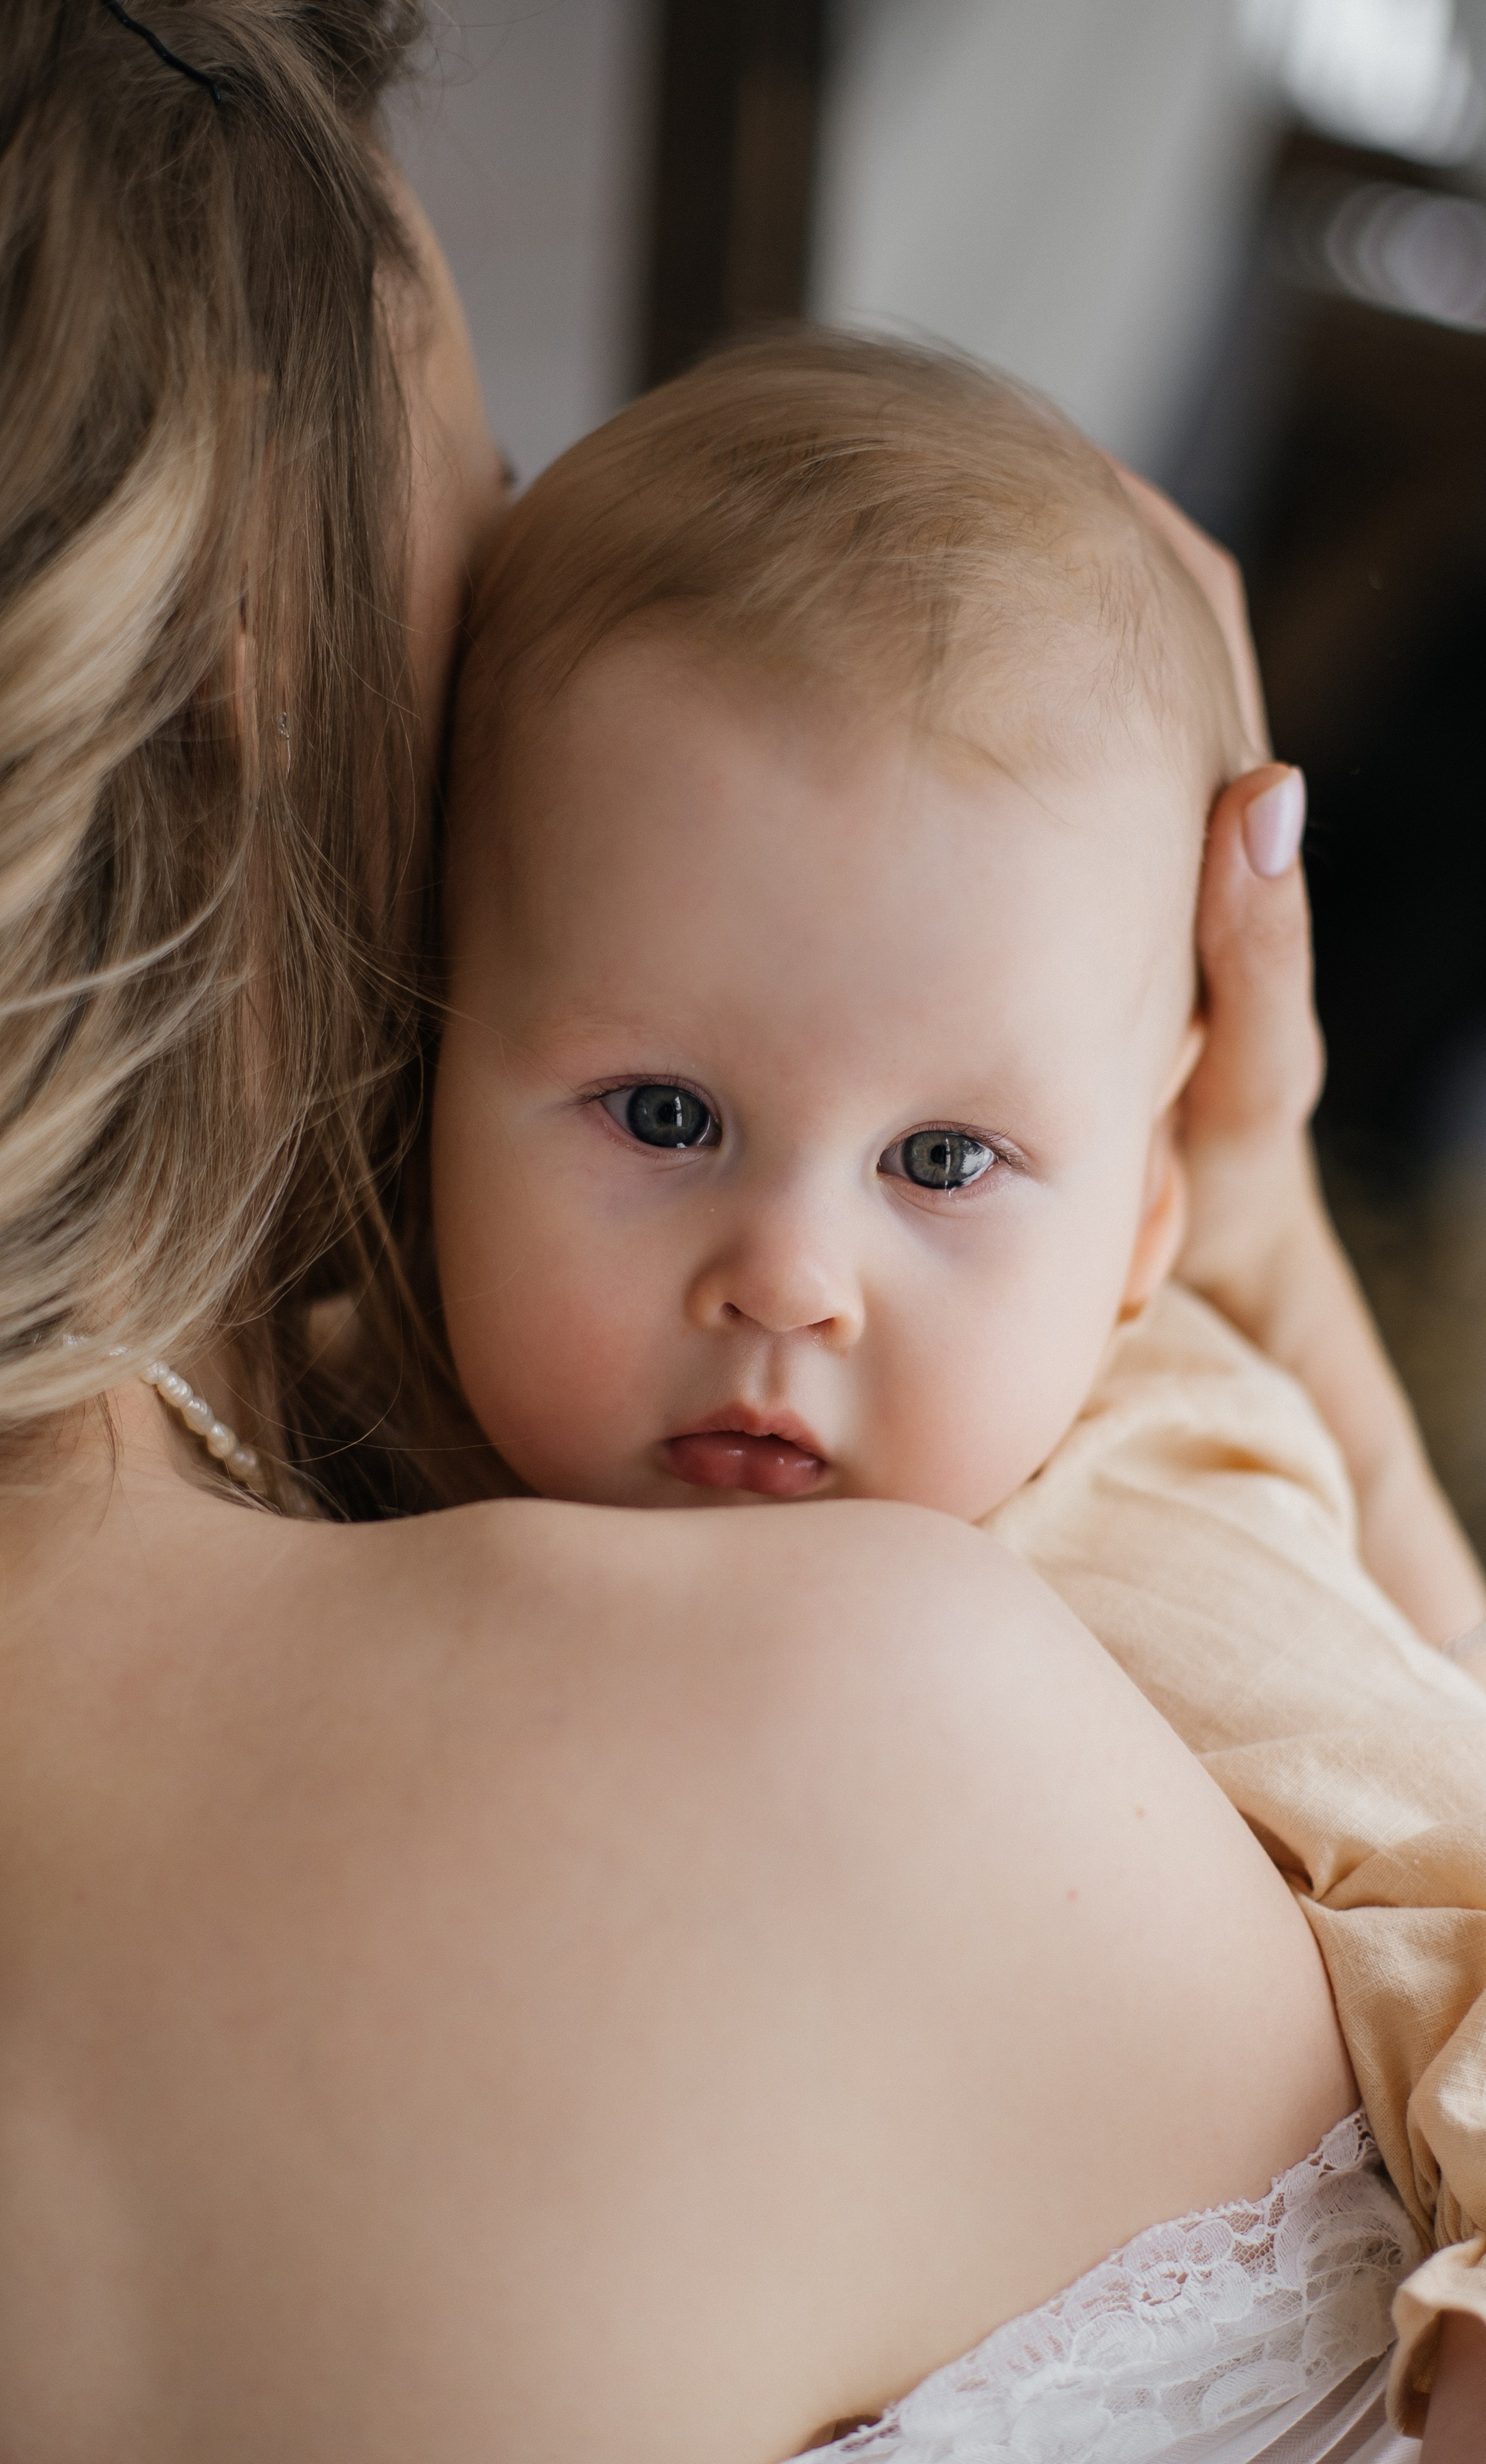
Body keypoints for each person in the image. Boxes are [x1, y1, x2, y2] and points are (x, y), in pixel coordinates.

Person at [0, 6, 1478, 2459]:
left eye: (946, 1158)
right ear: (244, 688)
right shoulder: (852, 1719)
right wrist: (1253, 1259)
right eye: (486, 494)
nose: (795, 1275)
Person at [426, 331, 1486, 2448]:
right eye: (660, 1110)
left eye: (940, 1165)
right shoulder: (371, 1419)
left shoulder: (1145, 1515)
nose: (791, 1277)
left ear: (1150, 1223)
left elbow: (1460, 1866)